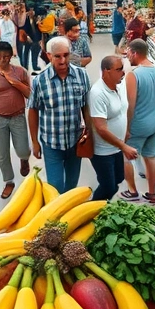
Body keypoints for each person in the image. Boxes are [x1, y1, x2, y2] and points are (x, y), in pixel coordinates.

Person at [29, 36, 92, 193]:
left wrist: (89, 132)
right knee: (55, 186)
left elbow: (86, 106)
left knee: (71, 185)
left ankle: (69, 216)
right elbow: (33, 111)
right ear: (49, 55)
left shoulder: (81, 76)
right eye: (57, 56)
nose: (63, 60)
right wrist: (35, 142)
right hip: (52, 143)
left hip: (74, 141)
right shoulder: (40, 81)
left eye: (66, 55)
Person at [0, 41, 32, 198]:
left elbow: (29, 94)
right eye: (0, 57)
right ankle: (8, 181)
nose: (3, 60)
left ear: (11, 56)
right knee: (3, 153)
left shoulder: (20, 72)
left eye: (6, 57)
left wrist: (13, 81)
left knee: (23, 148)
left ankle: (24, 159)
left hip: (18, 116)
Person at [121, 39, 155, 203]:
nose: (127, 56)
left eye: (128, 52)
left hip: (140, 124)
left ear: (135, 53)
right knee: (150, 157)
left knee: (126, 157)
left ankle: (132, 191)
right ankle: (151, 193)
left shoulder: (133, 75)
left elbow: (131, 105)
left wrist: (127, 128)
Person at [89, 56, 138, 201]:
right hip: (103, 151)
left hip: (116, 147)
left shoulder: (119, 85)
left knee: (118, 179)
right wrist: (124, 147)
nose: (122, 73)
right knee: (108, 186)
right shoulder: (98, 93)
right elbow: (101, 128)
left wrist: (126, 130)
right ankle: (91, 210)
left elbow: (123, 111)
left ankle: (102, 205)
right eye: (119, 70)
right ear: (106, 71)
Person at [19, 5, 41, 73]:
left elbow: (39, 29)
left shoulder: (36, 18)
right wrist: (27, 36)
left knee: (35, 52)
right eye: (30, 10)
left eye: (32, 10)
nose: (31, 12)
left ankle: (35, 66)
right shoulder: (25, 18)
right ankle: (25, 67)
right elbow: (22, 28)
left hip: (35, 38)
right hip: (27, 38)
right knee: (26, 53)